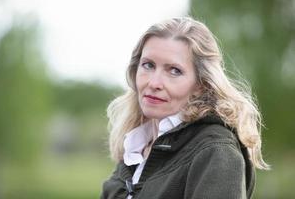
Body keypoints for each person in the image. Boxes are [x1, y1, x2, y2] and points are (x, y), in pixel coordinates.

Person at [100, 17, 269, 199]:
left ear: (201, 85)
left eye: (174, 70)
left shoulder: (215, 151)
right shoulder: (135, 147)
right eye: (148, 65)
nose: (154, 82)